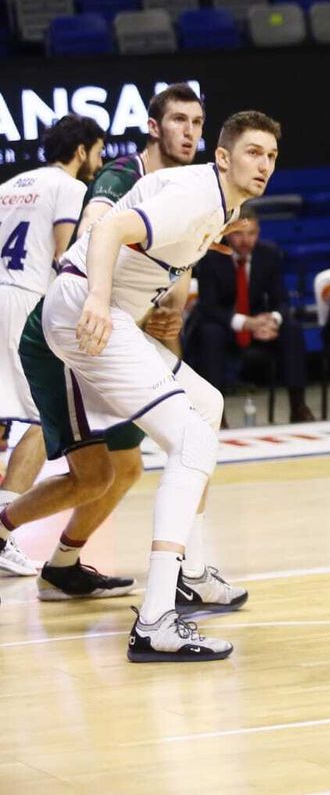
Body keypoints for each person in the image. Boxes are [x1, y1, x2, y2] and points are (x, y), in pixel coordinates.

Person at [3, 111, 278, 661]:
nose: (264, 164)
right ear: (222, 156)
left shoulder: (216, 204)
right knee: (188, 442)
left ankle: (190, 573)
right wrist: (100, 301)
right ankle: (156, 620)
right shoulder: (196, 197)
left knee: (207, 404)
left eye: (271, 155)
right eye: (252, 152)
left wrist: (197, 244)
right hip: (83, 310)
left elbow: (148, 220)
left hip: (100, 313)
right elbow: (107, 227)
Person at [0, 83, 206, 601]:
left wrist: (168, 315)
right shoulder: (119, 177)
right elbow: (91, 235)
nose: (189, 131)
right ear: (154, 127)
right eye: (179, 120)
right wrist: (98, 297)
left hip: (109, 334)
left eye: (197, 122)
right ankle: (183, 574)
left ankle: (62, 562)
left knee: (122, 467)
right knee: (89, 464)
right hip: (69, 327)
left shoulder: (186, 192)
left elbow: (171, 280)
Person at [0, 114, 105, 578]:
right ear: (81, 150)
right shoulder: (69, 188)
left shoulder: (9, 185)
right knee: (40, 417)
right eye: (97, 152)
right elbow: (65, 256)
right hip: (23, 297)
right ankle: (2, 536)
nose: (97, 162)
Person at [187, 206, 316, 423]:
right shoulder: (211, 257)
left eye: (252, 234)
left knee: (291, 329)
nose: (245, 240)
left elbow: (282, 301)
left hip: (259, 327)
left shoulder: (269, 254)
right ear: (227, 233)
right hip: (226, 327)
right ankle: (216, 416)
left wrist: (272, 321)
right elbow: (208, 308)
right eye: (239, 234)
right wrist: (246, 323)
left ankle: (298, 406)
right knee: (210, 333)